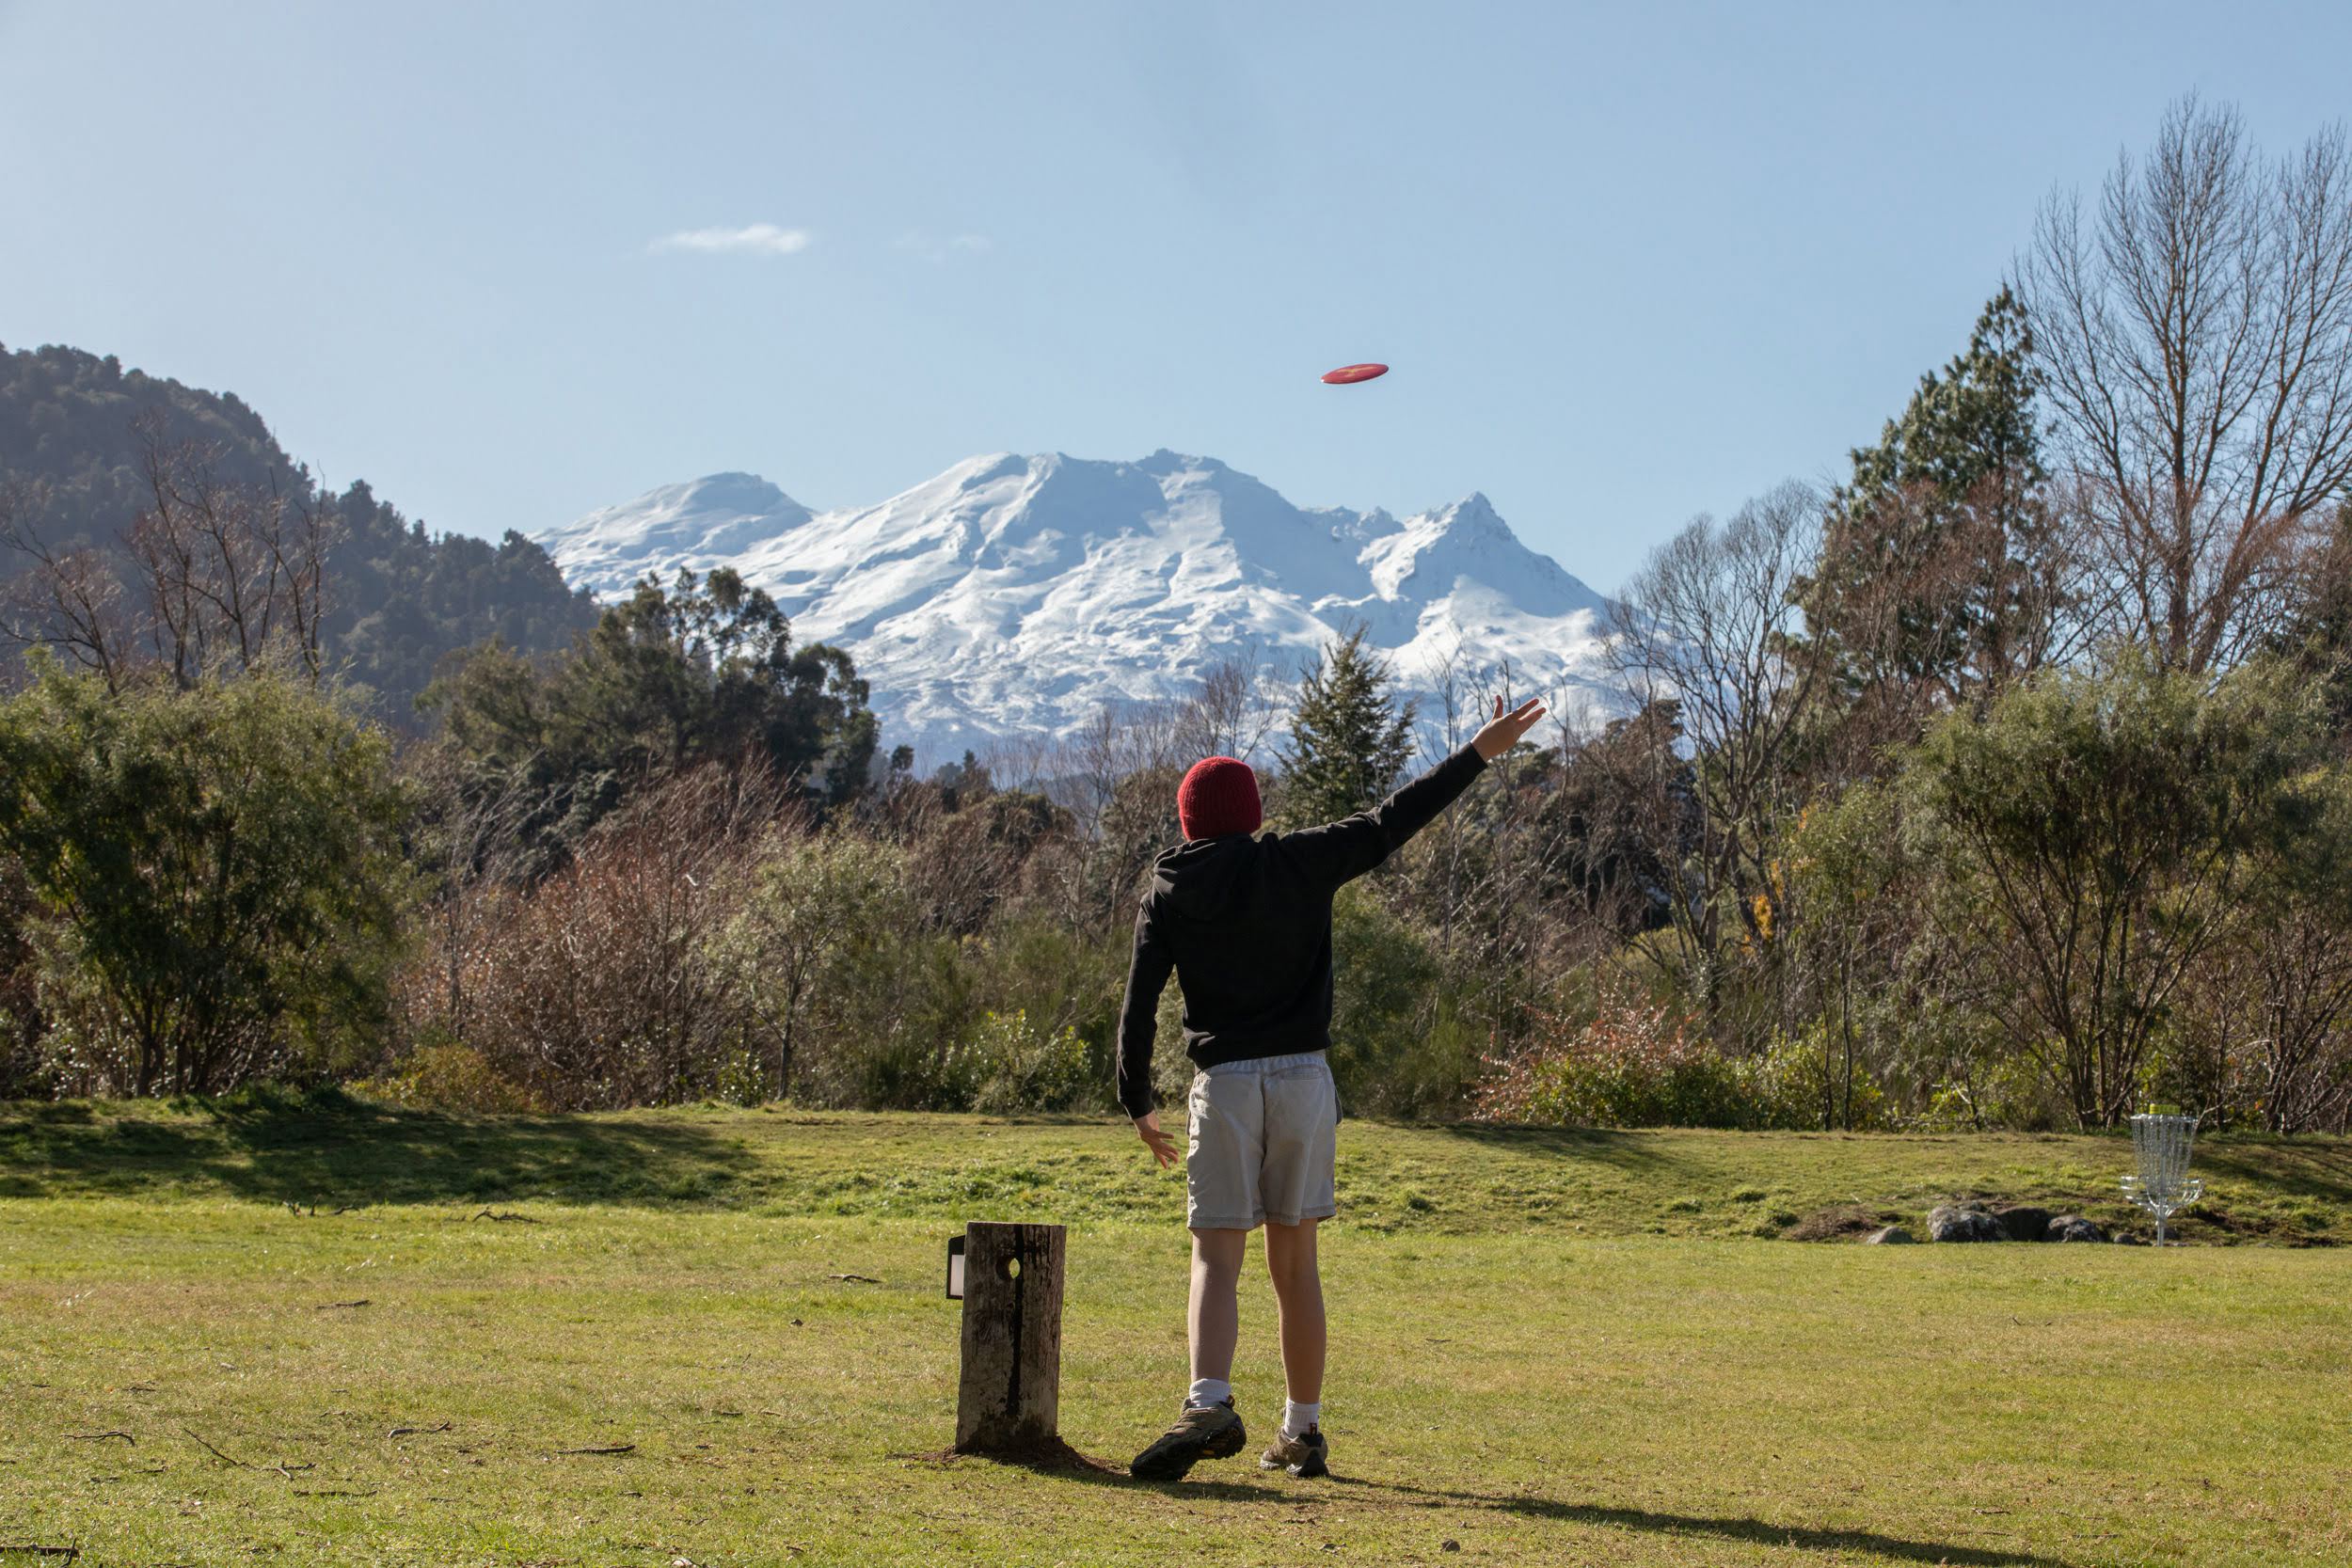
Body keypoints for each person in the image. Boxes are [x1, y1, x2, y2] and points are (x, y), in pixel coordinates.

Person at [1118, 694, 1549, 1482]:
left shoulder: (1169, 889)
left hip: (1225, 1083)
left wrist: (1137, 1100)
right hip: (1304, 1080)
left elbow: (1139, 1001)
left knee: (1216, 1257)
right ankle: (1303, 1430)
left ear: (1188, 821)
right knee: (1296, 1264)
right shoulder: (1299, 860)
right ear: (1252, 813)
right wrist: (1478, 753)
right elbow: (1391, 820)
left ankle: (1208, 1403)